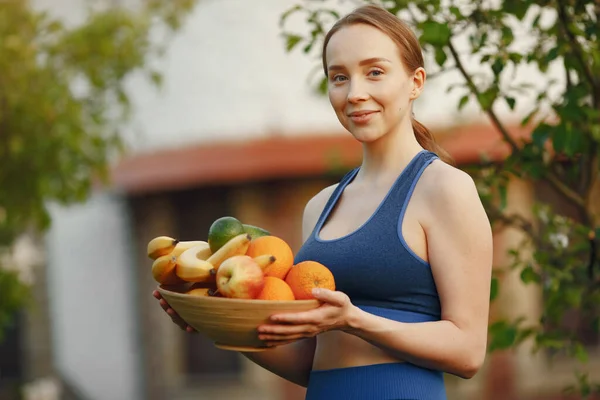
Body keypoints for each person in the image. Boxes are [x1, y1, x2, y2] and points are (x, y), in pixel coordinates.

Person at [153, 4, 493, 399]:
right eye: (339, 77)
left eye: (375, 72)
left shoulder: (444, 189)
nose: (355, 93)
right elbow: (306, 363)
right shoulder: (320, 206)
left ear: (415, 81)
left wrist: (354, 320)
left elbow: (468, 351)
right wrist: (216, 324)